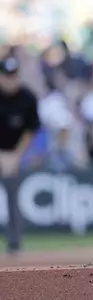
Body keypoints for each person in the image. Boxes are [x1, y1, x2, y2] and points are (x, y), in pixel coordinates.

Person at [0, 56, 41, 254]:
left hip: (13, 154)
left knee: (12, 197)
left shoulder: (27, 98)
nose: (10, 80)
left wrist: (16, 155)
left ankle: (14, 243)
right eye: (7, 76)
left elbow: (30, 130)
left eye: (13, 76)